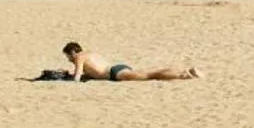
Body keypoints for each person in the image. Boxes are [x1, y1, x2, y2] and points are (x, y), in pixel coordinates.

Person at [62, 41, 201, 82]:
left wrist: (69, 79)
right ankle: (185, 72)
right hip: (116, 68)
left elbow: (77, 77)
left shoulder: (79, 57)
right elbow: (93, 71)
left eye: (68, 57)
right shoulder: (90, 53)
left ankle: (184, 74)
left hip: (114, 73)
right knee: (150, 73)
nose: (69, 60)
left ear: (72, 53)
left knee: (151, 75)